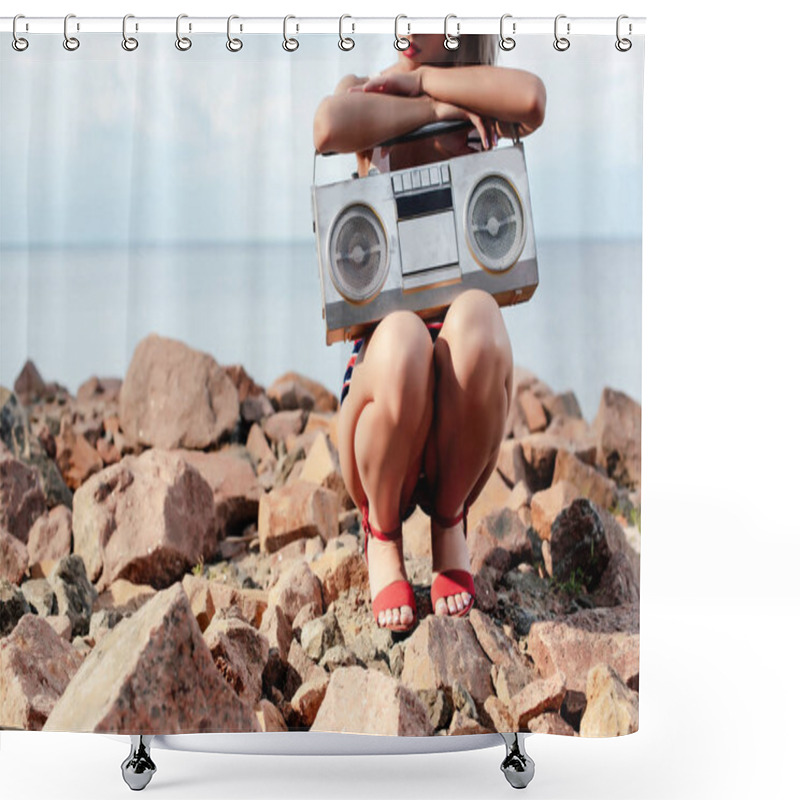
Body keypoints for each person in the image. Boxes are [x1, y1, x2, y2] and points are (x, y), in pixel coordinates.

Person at [313, 33, 546, 632]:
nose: (407, 29)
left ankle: (449, 525)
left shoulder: (486, 92)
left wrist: (427, 82)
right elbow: (328, 125)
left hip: (456, 427)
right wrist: (433, 107)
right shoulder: (365, 90)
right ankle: (382, 533)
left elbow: (531, 97)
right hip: (382, 394)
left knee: (478, 318)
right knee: (403, 339)